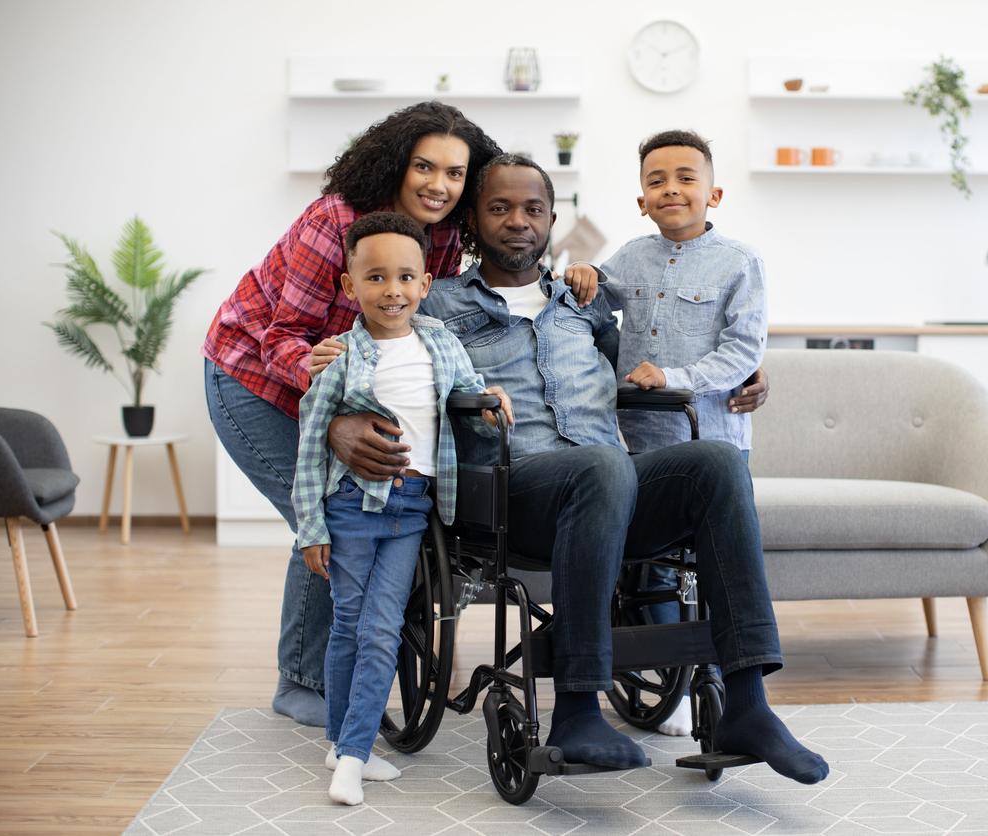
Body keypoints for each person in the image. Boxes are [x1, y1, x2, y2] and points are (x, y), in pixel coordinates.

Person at [394, 154, 829, 784]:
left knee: (715, 463)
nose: (518, 221)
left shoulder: (583, 301)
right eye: (499, 208)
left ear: (551, 221)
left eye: (533, 209)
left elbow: (647, 354)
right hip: (513, 498)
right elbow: (385, 359)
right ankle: (576, 711)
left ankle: (749, 706)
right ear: (472, 220)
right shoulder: (436, 305)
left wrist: (744, 372)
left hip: (611, 487)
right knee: (601, 464)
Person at [202, 101, 502, 727]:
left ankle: (364, 664)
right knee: (331, 525)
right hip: (253, 377)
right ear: (397, 162)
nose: (438, 186)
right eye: (425, 166)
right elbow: (283, 335)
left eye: (454, 174)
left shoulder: (443, 235)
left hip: (346, 388)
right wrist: (335, 419)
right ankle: (303, 682)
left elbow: (416, 330)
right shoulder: (335, 220)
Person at [292, 212, 512, 806]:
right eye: (376, 278)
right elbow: (313, 444)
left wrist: (491, 395)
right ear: (349, 286)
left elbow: (466, 391)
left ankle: (350, 747)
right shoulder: (340, 356)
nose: (392, 290)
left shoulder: (440, 340)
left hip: (414, 507)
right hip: (352, 506)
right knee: (349, 627)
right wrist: (310, 527)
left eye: (405, 277)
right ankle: (347, 751)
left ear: (423, 285)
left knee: (381, 627)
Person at [564, 129, 767, 737]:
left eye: (685, 177)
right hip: (640, 445)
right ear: (641, 200)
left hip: (714, 444)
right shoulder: (629, 257)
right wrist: (579, 275)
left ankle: (720, 682)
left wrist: (674, 375)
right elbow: (591, 299)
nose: (671, 189)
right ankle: (665, 688)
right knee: (648, 573)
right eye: (656, 181)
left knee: (710, 572)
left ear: (715, 192)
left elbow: (743, 348)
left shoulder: (740, 262)